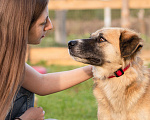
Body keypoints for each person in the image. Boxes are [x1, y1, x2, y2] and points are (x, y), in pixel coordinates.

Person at [0, 0, 93, 120]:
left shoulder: (8, 57)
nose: (50, 26)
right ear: (22, 24)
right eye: (43, 22)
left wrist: (93, 69)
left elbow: (42, 83)